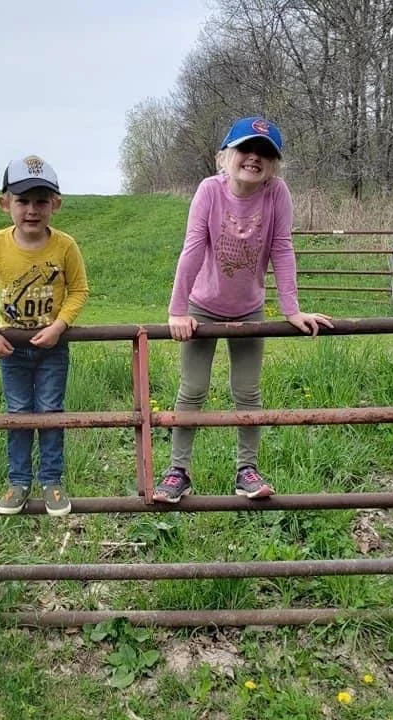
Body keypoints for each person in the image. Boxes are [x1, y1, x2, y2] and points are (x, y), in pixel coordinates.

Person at [154, 115, 333, 503]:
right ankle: (178, 471)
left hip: (249, 309)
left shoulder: (277, 193)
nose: (254, 157)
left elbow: (282, 248)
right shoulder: (209, 191)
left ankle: (246, 471)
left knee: (248, 392)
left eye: (264, 153)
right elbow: (192, 248)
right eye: (245, 149)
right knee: (192, 389)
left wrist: (291, 309)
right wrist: (177, 310)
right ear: (224, 157)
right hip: (202, 306)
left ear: (274, 165)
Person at [0, 155, 90, 517]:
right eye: (22, 201)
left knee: (51, 411)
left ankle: (52, 480)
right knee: (18, 413)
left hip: (53, 347)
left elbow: (79, 290)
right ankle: (19, 482)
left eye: (41, 201)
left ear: (56, 204)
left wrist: (59, 326)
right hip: (11, 348)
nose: (32, 210)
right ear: (4, 203)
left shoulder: (65, 246)